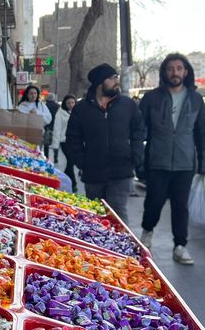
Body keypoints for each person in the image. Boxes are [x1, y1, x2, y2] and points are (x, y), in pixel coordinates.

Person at [138, 53, 205, 265]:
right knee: (154, 202)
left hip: (184, 164)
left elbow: (204, 135)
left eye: (179, 68)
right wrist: (139, 162)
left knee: (181, 206)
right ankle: (146, 235)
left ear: (186, 72)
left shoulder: (195, 100)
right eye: (171, 69)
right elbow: (139, 130)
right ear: (164, 72)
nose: (175, 73)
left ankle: (180, 246)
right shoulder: (151, 98)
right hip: (157, 161)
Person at [65, 64, 144, 223]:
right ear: (100, 82)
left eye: (117, 78)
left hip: (122, 171)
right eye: (112, 78)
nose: (116, 81)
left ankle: (122, 240)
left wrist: (136, 156)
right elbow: (73, 138)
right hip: (93, 172)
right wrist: (82, 162)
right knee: (95, 215)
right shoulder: (81, 109)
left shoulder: (128, 105)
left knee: (117, 214)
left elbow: (139, 131)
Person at [50, 94, 78, 192]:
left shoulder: (78, 112)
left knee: (71, 162)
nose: (71, 105)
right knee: (71, 161)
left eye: (72, 102)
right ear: (65, 104)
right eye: (68, 103)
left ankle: (63, 180)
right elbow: (57, 128)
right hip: (64, 141)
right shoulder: (60, 113)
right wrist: (55, 144)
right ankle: (72, 183)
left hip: (75, 141)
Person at [44, 93, 60, 159]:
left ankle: (46, 156)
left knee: (46, 143)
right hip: (55, 126)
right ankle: (55, 157)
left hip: (47, 126)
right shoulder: (58, 106)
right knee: (55, 142)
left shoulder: (45, 106)